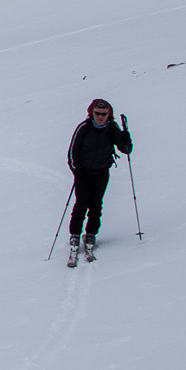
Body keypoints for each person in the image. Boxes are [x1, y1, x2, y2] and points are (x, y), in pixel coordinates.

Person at [66, 99, 132, 265]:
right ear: (91, 113)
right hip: (83, 173)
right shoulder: (84, 128)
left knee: (96, 205)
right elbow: (72, 151)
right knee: (81, 204)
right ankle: (74, 235)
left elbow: (125, 149)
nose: (101, 117)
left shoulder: (111, 128)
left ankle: (91, 234)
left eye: (104, 114)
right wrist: (77, 171)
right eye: (98, 114)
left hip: (101, 173)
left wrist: (126, 138)